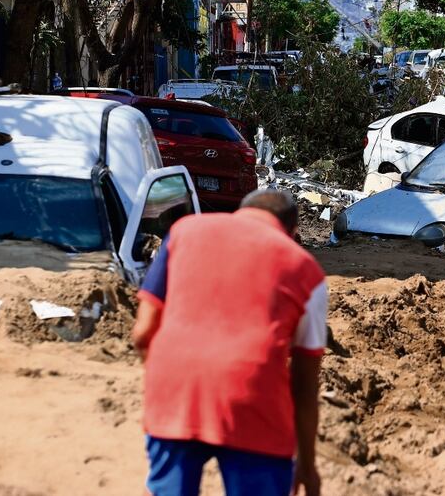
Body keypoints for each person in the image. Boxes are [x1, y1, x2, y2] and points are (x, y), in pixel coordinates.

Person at [131, 189, 327, 496]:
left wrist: (168, 385)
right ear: (292, 232)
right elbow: (304, 385)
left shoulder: (184, 232)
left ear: (240, 211)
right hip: (253, 400)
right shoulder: (307, 270)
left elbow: (143, 331)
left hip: (176, 389)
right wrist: (307, 464)